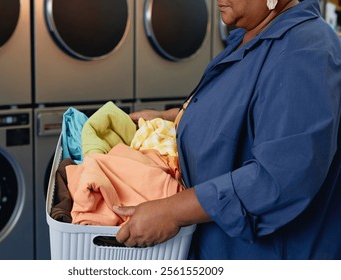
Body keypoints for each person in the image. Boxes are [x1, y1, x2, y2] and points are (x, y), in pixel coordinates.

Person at [113, 0, 341, 259]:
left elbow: (280, 178)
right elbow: (244, 110)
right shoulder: (253, 37)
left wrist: (172, 211)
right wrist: (174, 117)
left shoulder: (305, 51)